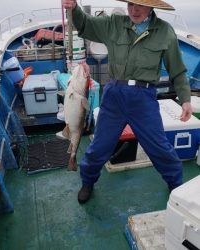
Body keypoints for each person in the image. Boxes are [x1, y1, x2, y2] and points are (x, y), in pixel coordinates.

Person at [62, 0, 192, 204]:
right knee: (100, 145)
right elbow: (84, 24)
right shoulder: (113, 23)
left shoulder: (165, 31)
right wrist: (74, 7)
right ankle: (87, 181)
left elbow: (178, 70)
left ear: (151, 7)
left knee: (159, 146)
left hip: (144, 97)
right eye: (131, 4)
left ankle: (175, 183)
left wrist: (185, 99)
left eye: (141, 5)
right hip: (114, 94)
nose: (135, 10)